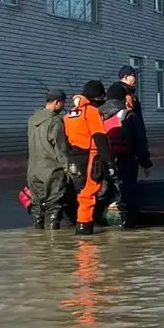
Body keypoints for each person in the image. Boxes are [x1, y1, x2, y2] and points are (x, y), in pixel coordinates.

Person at [64, 80, 116, 235]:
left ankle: (81, 229)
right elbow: (100, 138)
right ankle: (84, 234)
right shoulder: (91, 111)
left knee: (80, 193)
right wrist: (110, 162)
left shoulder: (69, 114)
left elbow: (66, 139)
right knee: (89, 194)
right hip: (91, 156)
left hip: (75, 157)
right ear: (98, 96)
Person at [99, 84, 152, 228]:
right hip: (125, 161)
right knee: (128, 196)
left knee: (102, 193)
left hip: (101, 163)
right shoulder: (129, 116)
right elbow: (140, 142)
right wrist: (145, 163)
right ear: (123, 98)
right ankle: (129, 225)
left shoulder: (97, 115)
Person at [26, 89, 71, 229]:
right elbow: (61, 149)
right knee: (54, 207)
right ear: (57, 102)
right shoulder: (55, 122)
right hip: (52, 172)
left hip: (33, 172)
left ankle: (39, 243)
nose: (64, 106)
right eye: (63, 103)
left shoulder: (32, 120)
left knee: (37, 208)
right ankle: (53, 244)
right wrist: (69, 170)